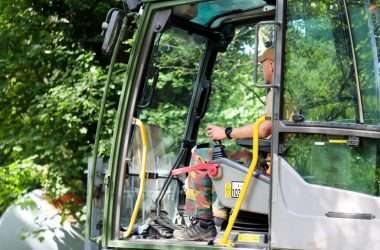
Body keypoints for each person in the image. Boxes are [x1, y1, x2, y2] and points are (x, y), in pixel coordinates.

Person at [173, 46, 275, 241]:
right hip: (272, 156)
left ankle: (204, 223)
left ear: (271, 65)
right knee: (222, 160)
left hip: (269, 160)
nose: (261, 69)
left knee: (202, 156)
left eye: (262, 64)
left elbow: (264, 129)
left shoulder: (278, 92)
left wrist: (227, 132)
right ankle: (219, 214)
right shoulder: (283, 92)